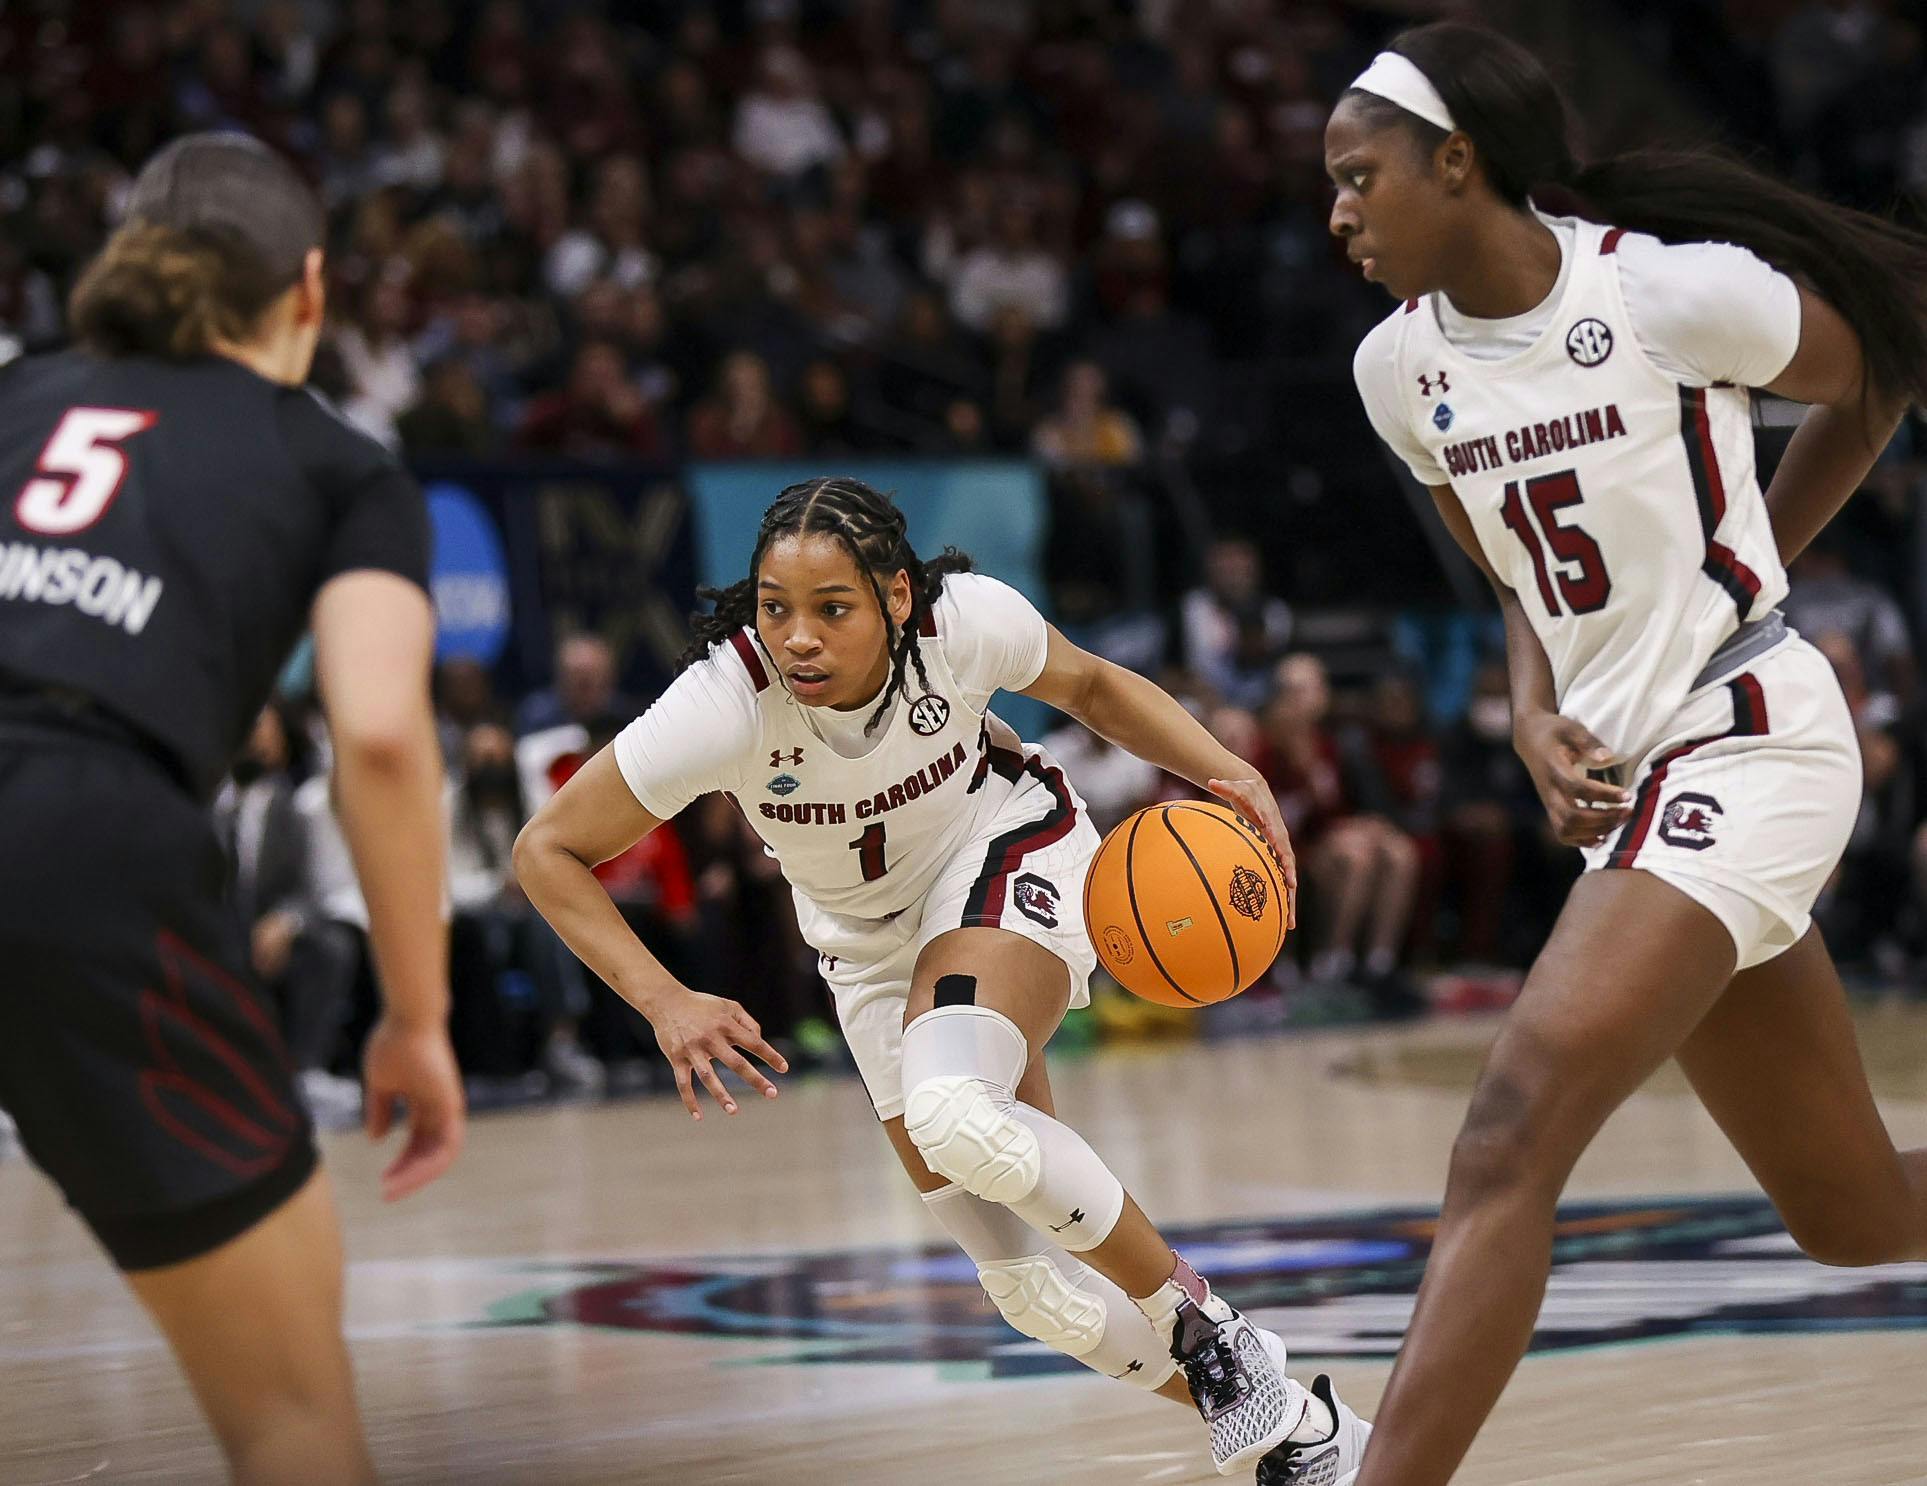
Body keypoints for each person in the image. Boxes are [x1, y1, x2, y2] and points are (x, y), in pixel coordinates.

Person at [1329, 23, 1927, 1484]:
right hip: (1633, 785)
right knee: (1850, 1214)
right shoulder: (1395, 370)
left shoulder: (1658, 291)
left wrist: (1747, 567)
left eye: (1357, 176)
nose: (1336, 212)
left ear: (1454, 161)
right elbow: (1516, 580)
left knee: (1505, 1135)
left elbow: (1875, 375)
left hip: (1748, 737)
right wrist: (1532, 709)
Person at [514, 476, 1371, 1483]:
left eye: (831, 608)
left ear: (895, 598)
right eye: (775, 607)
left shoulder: (962, 625)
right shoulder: (724, 702)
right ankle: (1300, 1428)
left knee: (954, 1112)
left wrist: (1231, 769)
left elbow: (1093, 688)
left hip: (1002, 846)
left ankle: (1208, 1326)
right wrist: (664, 1000)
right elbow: (546, 849)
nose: (797, 638)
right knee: (1031, 1294)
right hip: (865, 951)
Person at [0, 134, 464, 1486]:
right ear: (309, 290)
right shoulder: (337, 464)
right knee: (290, 1416)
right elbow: (378, 733)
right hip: (80, 836)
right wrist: (415, 1018)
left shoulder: (18, 394)